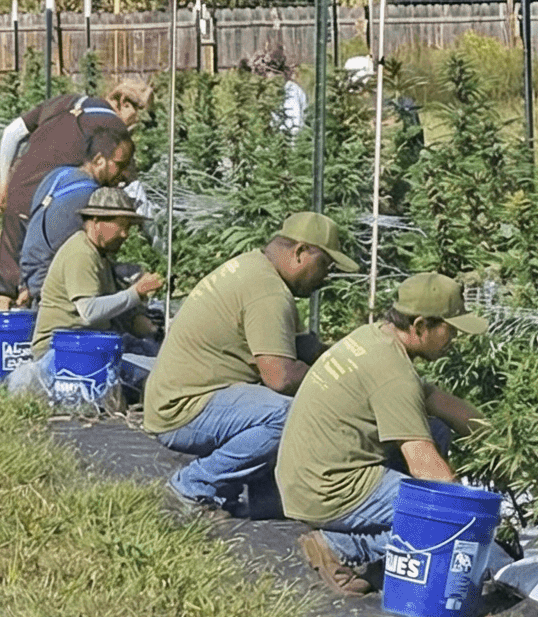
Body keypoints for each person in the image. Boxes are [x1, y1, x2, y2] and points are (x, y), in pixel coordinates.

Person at [276, 273, 493, 597]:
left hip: (306, 474)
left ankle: (375, 538)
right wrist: (476, 521)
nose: (455, 338)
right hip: (326, 489)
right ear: (420, 326)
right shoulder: (394, 376)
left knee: (436, 429)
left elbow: (433, 399)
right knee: (448, 518)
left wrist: (497, 435)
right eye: (450, 329)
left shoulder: (373, 338)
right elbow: (428, 469)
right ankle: (340, 546)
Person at [142, 213, 357, 514]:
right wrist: (336, 387)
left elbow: (304, 348)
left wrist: (354, 366)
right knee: (290, 415)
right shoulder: (267, 291)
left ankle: (264, 500)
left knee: (284, 405)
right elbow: (280, 377)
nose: (327, 277)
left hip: (185, 399)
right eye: (326, 265)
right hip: (183, 411)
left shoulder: (256, 271)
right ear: (300, 253)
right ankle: (191, 486)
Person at [0, 78, 153, 301]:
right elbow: (129, 184)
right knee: (53, 278)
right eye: (141, 115)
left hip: (19, 189)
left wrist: (4, 184)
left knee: (7, 285)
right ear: (125, 103)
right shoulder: (114, 131)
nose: (137, 124)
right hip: (55, 203)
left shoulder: (64, 101)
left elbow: (11, 133)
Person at [7, 186, 163, 397]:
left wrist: (154, 331)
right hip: (62, 354)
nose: (126, 234)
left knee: (155, 374)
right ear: (97, 221)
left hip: (87, 348)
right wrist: (135, 292)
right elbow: (89, 312)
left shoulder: (101, 257)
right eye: (121, 226)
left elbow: (118, 312)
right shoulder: (81, 254)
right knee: (148, 383)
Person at [16, 129, 135, 301]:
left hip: (29, 273)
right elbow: (91, 255)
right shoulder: (91, 197)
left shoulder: (57, 175)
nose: (125, 173)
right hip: (49, 282)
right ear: (99, 160)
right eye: (121, 165)